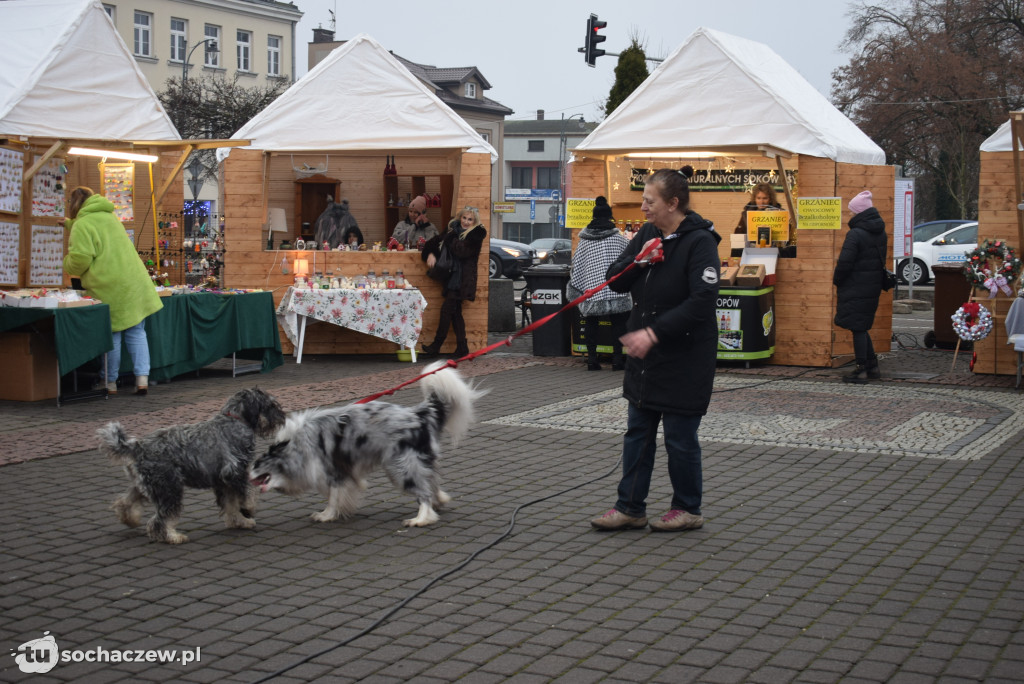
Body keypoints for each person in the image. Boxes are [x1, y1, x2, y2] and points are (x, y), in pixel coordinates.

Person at [591, 166, 720, 533]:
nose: (643, 208)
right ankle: (630, 507)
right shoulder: (648, 233)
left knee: (679, 438)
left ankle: (687, 508)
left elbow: (702, 301)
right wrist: (638, 260)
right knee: (638, 433)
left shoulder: (700, 242)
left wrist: (654, 333)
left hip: (684, 356)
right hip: (645, 357)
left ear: (673, 203)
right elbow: (614, 280)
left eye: (650, 201)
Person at [63, 186, 163, 395]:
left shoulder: (83, 224)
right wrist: (70, 225)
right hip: (133, 283)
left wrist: (67, 264)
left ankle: (109, 382)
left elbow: (80, 259)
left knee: (113, 335)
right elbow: (97, 233)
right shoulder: (109, 218)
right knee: (137, 332)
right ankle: (142, 379)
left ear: (73, 206)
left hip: (109, 286)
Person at [569, 196, 631, 371]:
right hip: (615, 288)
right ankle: (618, 360)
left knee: (591, 324)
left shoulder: (585, 240)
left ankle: (591, 360)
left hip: (592, 289)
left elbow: (577, 264)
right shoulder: (618, 239)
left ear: (593, 217)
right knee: (618, 324)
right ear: (609, 217)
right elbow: (629, 259)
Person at [833, 190, 886, 384]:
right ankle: (872, 365)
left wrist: (837, 279)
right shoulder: (879, 232)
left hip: (855, 286)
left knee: (858, 328)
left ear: (859, 212)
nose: (850, 215)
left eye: (852, 211)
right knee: (862, 326)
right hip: (871, 286)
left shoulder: (855, 234)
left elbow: (845, 262)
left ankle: (861, 369)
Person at [419, 206, 487, 359]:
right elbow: (435, 243)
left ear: (474, 221)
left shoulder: (477, 234)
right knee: (455, 314)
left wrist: (450, 238)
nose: (466, 222)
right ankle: (462, 347)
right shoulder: (452, 229)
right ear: (460, 218)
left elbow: (462, 251)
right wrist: (430, 254)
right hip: (451, 278)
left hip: (463, 280)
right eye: (464, 218)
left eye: (470, 219)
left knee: (446, 310)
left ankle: (436, 345)